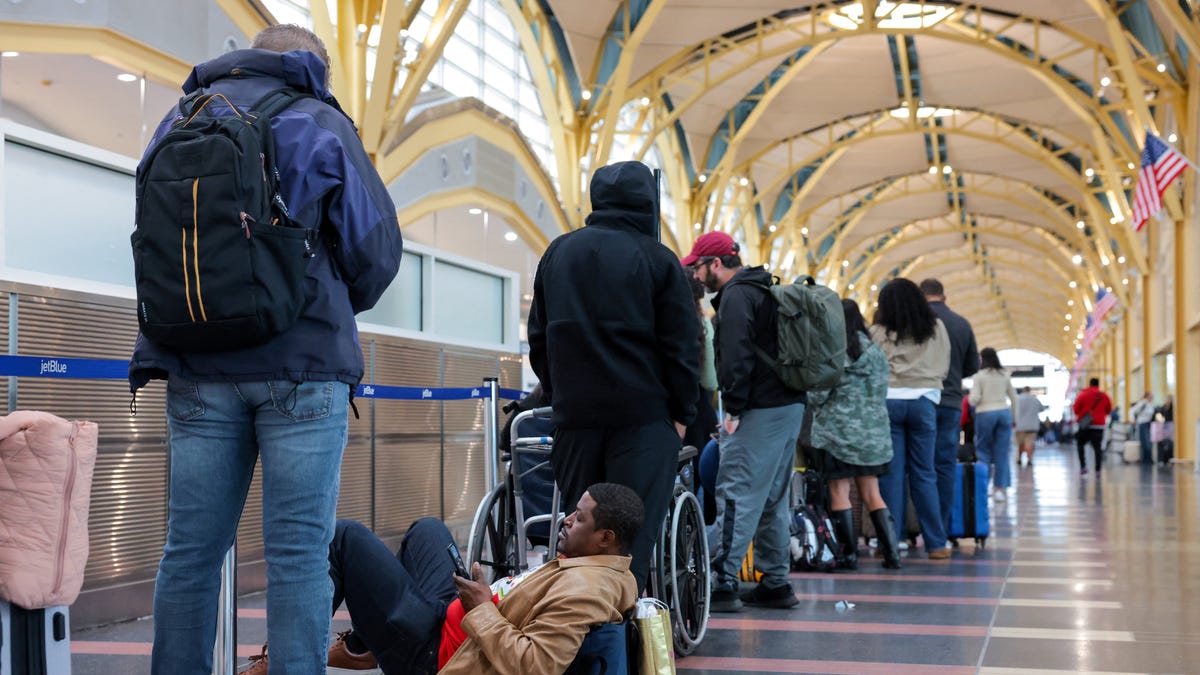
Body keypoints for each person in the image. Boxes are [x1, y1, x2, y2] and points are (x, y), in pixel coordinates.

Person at [129, 25, 404, 674]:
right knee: (298, 553)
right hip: (303, 368)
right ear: (314, 66)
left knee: (190, 551)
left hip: (194, 365)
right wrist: (325, 300)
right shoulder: (318, 121)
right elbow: (376, 250)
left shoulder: (178, 118)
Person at [245, 483, 641, 675]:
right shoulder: (592, 567)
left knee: (344, 540)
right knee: (429, 530)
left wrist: (484, 607)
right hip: (457, 620)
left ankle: (288, 661)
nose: (567, 519)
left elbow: (535, 666)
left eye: (579, 518)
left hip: (440, 655)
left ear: (606, 538)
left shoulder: (585, 589)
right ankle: (364, 646)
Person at [527, 160, 699, 592]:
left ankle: (573, 636)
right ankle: (623, 642)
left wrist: (561, 391)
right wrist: (681, 414)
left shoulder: (558, 253)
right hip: (642, 421)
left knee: (581, 533)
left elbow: (539, 339)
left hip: (575, 420)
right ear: (648, 201)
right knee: (627, 541)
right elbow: (681, 347)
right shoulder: (659, 261)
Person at [682, 231, 806, 611]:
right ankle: (776, 582)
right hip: (789, 408)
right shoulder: (764, 288)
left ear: (716, 263)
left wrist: (732, 410)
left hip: (759, 411)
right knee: (772, 499)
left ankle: (721, 582)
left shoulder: (736, 297)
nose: (697, 277)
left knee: (737, 496)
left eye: (699, 268)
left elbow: (736, 359)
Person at [807, 300, 899, 569]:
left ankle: (850, 555)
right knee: (872, 493)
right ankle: (892, 553)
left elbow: (818, 394)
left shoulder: (832, 351)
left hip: (836, 436)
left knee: (839, 491)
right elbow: (882, 391)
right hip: (871, 436)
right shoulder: (876, 353)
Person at [869, 278, 951, 560]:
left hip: (888, 402)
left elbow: (872, 366)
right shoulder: (935, 328)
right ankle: (937, 544)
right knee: (924, 473)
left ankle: (891, 542)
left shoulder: (878, 330)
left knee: (891, 474)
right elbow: (944, 364)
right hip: (923, 403)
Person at [919, 279, 979, 539]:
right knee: (944, 465)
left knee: (919, 466)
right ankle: (940, 530)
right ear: (945, 296)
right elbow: (972, 366)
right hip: (951, 401)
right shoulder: (961, 323)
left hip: (920, 398)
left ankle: (913, 527)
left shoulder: (916, 321)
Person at [969, 349, 1018, 500]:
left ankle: (983, 487)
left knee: (983, 451)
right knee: (1002, 453)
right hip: (1003, 413)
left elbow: (974, 399)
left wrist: (972, 401)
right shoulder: (1005, 375)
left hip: (985, 413)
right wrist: (1014, 418)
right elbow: (1014, 398)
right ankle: (999, 490)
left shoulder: (979, 376)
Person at [683, 272, 719, 452]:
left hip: (666, 418)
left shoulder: (658, 321)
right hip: (698, 413)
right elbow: (711, 381)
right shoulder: (703, 324)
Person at [1072, 378, 1113, 476]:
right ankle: (1098, 470)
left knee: (1080, 445)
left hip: (1085, 426)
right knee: (1097, 448)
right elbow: (1109, 410)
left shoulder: (1083, 394)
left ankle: (1083, 467)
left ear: (1089, 384)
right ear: (1098, 385)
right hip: (1098, 426)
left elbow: (1076, 410)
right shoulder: (1104, 396)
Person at [1014, 387, 1046, 467]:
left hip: (1019, 426)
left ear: (1022, 391)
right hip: (1032, 426)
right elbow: (1042, 409)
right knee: (1029, 443)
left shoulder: (1017, 399)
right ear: (1029, 391)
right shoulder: (1034, 399)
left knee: (1020, 444)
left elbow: (1011, 410)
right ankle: (1029, 459)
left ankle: (1019, 459)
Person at [1129, 391, 1155, 464]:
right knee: (1145, 442)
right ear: (1147, 397)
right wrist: (1132, 419)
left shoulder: (1151, 404)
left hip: (1148, 424)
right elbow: (1132, 410)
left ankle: (1148, 459)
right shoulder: (1143, 403)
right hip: (1142, 424)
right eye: (1150, 396)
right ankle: (1145, 460)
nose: (1152, 398)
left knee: (1148, 442)